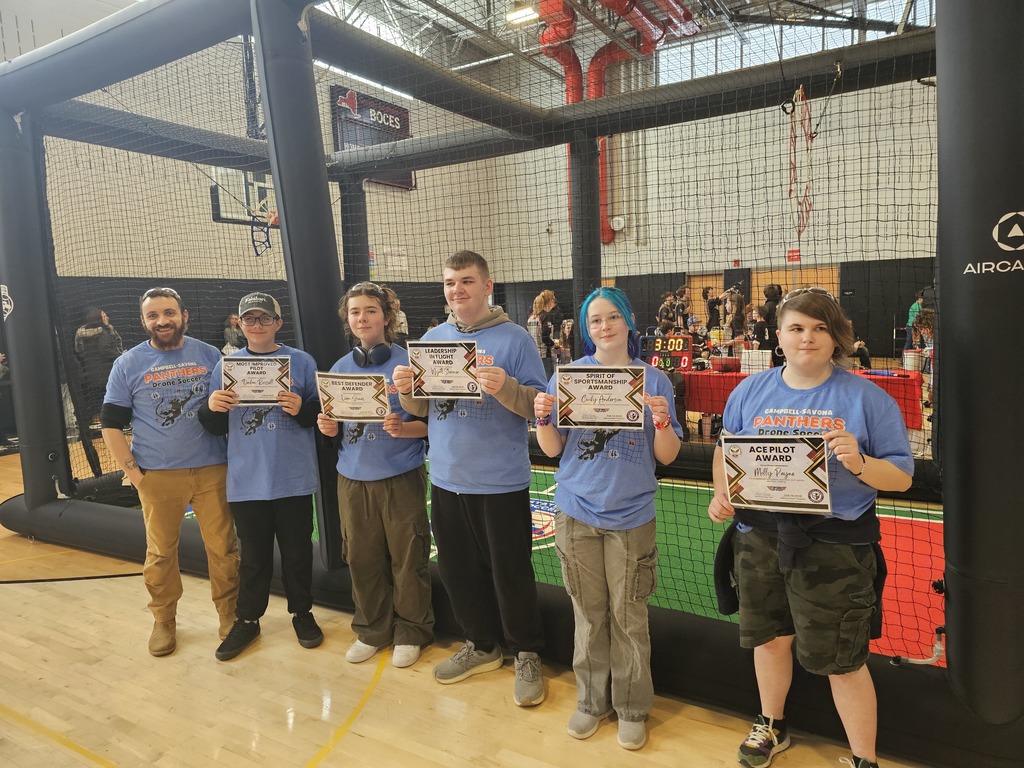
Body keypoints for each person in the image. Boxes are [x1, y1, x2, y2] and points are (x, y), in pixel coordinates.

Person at [707, 287, 914, 768]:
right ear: (778, 336)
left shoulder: (868, 398)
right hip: (758, 540)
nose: (808, 338)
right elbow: (724, 452)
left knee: (843, 661)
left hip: (834, 547)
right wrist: (723, 493)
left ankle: (864, 758)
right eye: (797, 328)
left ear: (836, 335)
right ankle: (771, 725)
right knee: (770, 640)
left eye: (820, 328)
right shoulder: (749, 391)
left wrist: (859, 462)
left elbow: (901, 477)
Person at [392, 250, 547, 706]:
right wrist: (406, 390)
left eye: (465, 281)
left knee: (511, 574)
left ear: (487, 285)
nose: (456, 290)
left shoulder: (515, 338)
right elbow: (420, 408)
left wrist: (508, 388)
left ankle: (527, 651)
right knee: (458, 571)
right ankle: (482, 645)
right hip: (445, 477)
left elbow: (539, 407)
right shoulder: (433, 338)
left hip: (500, 481)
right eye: (449, 283)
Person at [533, 286, 683, 750]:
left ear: (628, 323)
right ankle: (591, 702)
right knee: (588, 615)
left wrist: (660, 422)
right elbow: (553, 449)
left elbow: (669, 454)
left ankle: (633, 707)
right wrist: (542, 417)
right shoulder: (568, 378)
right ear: (585, 328)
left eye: (611, 318)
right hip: (576, 511)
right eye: (594, 321)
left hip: (632, 514)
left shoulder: (654, 380)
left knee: (628, 617)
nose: (603, 327)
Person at [101, 287, 240, 657]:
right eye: (153, 315)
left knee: (224, 550)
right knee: (161, 554)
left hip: (213, 470)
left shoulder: (210, 355)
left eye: (169, 313)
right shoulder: (128, 364)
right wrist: (134, 474)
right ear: (144, 321)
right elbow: (111, 424)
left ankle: (229, 615)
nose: (162, 321)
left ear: (184, 315)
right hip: (158, 476)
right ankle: (164, 620)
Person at [199, 292, 323, 661]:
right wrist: (212, 407)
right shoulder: (225, 366)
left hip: (293, 476)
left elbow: (322, 412)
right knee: (253, 557)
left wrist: (303, 408)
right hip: (247, 478)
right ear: (239, 325)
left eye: (264, 318)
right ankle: (249, 619)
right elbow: (212, 425)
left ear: (277, 323)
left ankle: (302, 613)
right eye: (249, 319)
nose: (257, 325)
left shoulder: (300, 362)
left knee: (298, 552)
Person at [317, 282, 434, 669]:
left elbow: (430, 424)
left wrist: (404, 429)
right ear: (348, 321)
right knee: (362, 558)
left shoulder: (408, 364)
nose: (362, 318)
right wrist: (328, 429)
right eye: (354, 312)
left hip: (400, 477)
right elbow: (335, 426)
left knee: (407, 557)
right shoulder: (339, 369)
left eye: (369, 310)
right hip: (351, 479)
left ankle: (412, 630)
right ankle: (371, 629)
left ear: (386, 317)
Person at [75, 307, 124, 426]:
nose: (107, 317)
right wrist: (121, 356)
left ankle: (97, 423)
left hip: (91, 373)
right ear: (100, 318)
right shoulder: (103, 332)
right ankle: (111, 425)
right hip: (107, 372)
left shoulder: (81, 334)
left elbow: (79, 350)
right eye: (104, 315)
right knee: (110, 399)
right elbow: (105, 349)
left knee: (96, 400)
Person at [527, 290, 557, 378]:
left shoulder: (531, 317)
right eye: (553, 301)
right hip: (545, 355)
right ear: (550, 301)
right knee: (548, 380)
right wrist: (554, 344)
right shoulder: (545, 316)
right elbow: (545, 337)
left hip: (534, 353)